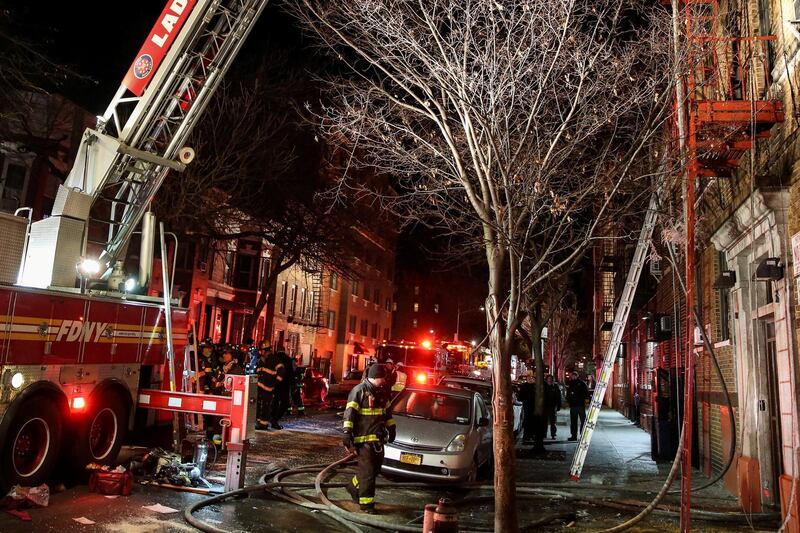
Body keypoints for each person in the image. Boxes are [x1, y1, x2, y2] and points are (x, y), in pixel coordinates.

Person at [342, 364, 395, 514]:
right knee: (369, 472)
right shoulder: (359, 391)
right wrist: (347, 433)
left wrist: (392, 428)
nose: (385, 380)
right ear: (377, 377)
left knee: (374, 469)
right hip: (363, 439)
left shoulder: (382, 392)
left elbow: (387, 413)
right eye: (383, 377)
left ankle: (352, 487)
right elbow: (349, 413)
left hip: (378, 439)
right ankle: (366, 505)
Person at [255, 343, 284, 431]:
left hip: (268, 388)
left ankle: (264, 424)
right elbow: (258, 371)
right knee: (259, 405)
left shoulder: (274, 360)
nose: (261, 352)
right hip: (259, 386)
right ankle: (259, 423)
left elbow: (281, 371)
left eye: (262, 350)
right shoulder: (261, 360)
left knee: (266, 406)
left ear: (266, 350)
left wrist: (275, 382)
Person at [270, 346, 293, 429]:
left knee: (274, 402)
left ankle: (271, 417)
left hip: (274, 384)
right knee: (284, 403)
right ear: (284, 351)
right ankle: (275, 419)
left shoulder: (273, 359)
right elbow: (290, 373)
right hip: (285, 385)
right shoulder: (288, 359)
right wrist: (293, 384)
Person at [566, 371, 590, 441]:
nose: (573, 377)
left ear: (577, 376)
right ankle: (574, 436)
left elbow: (586, 393)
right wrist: (569, 400)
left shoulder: (582, 383)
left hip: (580, 405)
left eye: (574, 376)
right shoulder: (571, 383)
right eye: (572, 376)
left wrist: (584, 400)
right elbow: (568, 394)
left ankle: (581, 435)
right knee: (573, 422)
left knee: (582, 421)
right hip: (574, 405)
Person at [544, 375, 561, 440]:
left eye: (550, 378)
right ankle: (544, 433)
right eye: (548, 378)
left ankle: (553, 434)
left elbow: (558, 396)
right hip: (545, 406)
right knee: (544, 421)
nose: (549, 379)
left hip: (552, 406)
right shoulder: (544, 386)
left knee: (552, 422)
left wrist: (558, 405)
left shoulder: (555, 386)